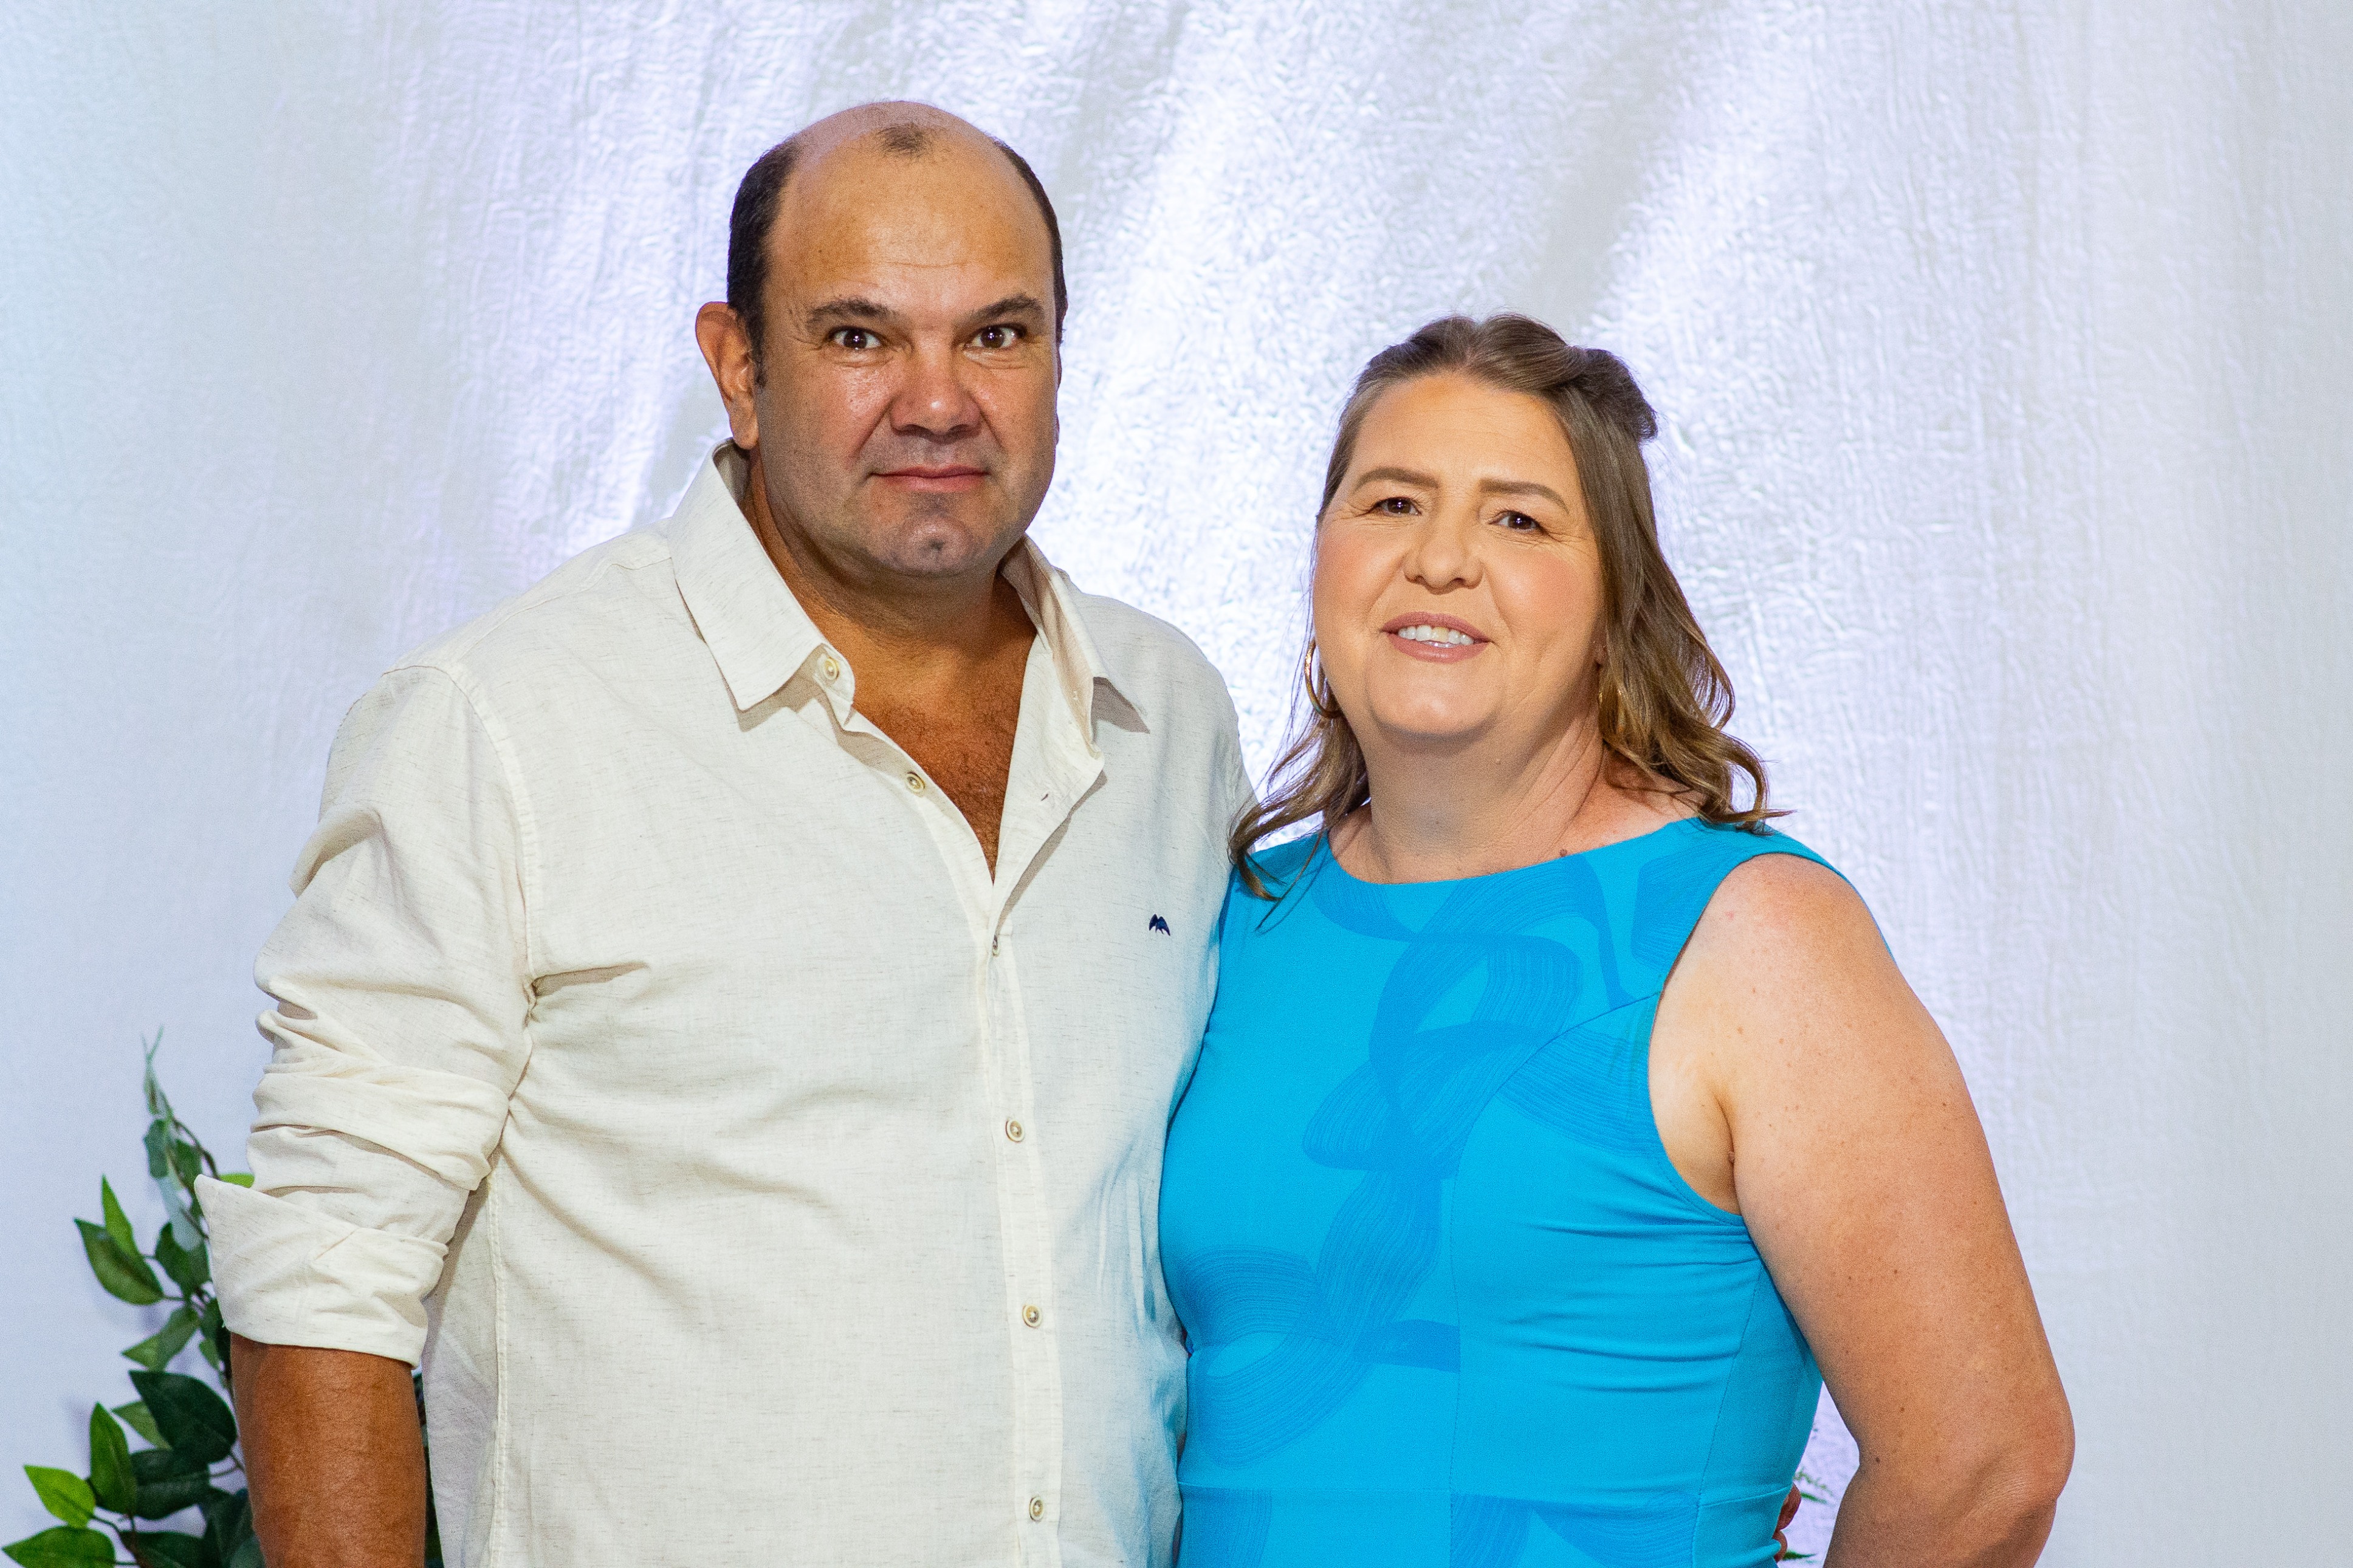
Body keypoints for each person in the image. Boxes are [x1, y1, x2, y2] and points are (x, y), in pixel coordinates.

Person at [198, 103, 1250, 1566]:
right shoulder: (504, 724)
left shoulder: (1167, 718)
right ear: (739, 368)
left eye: (997, 335)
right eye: (860, 336)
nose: (938, 400)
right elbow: (323, 1274)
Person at [1158, 315, 2074, 1567]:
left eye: (1518, 519)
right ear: (1323, 558)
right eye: (1391, 503)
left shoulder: (1753, 938)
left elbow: (1984, 1467)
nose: (1440, 559)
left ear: (1614, 601)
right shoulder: (1229, 922)